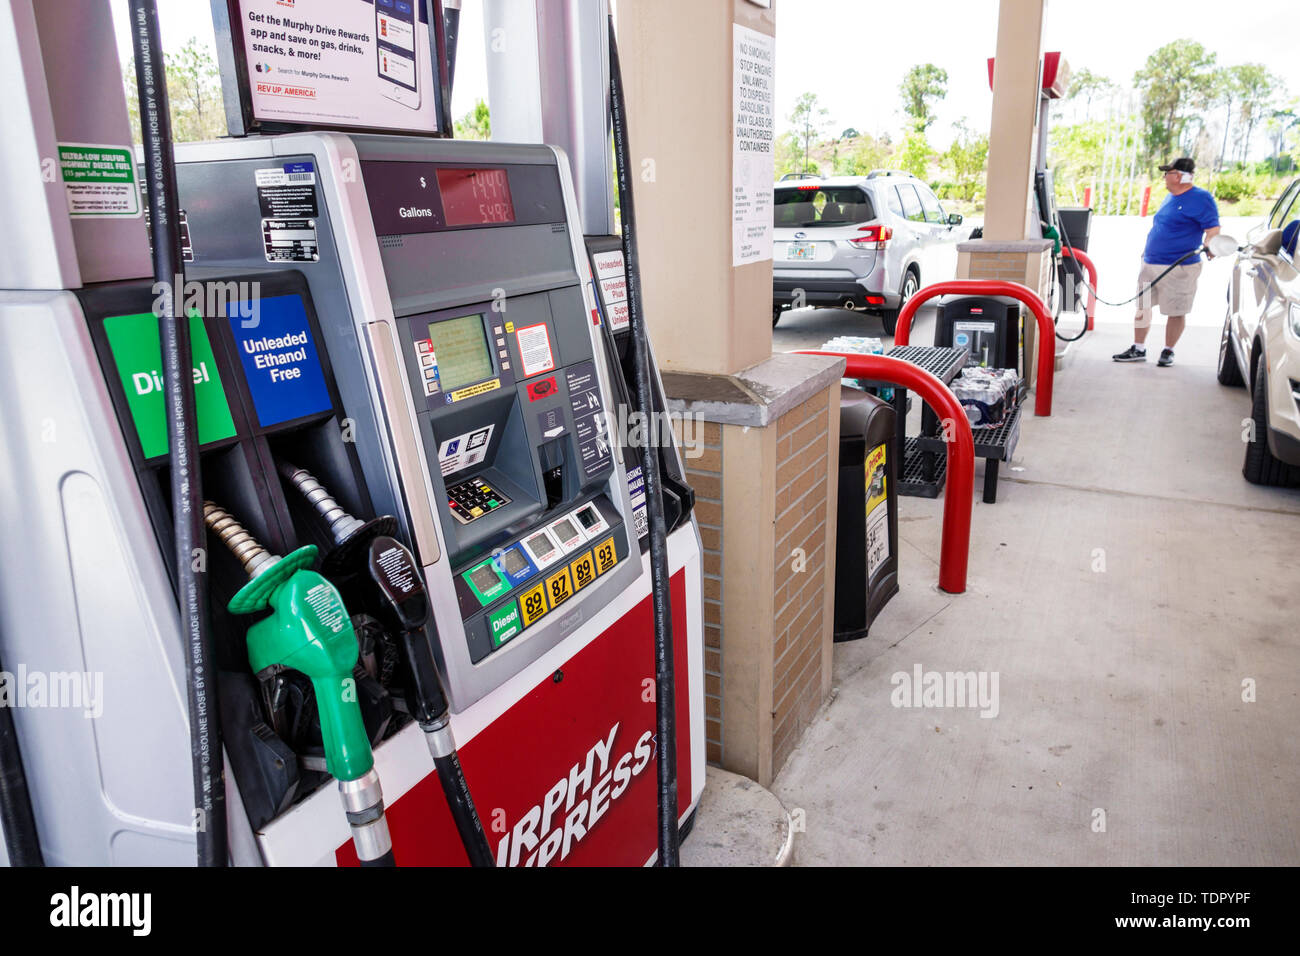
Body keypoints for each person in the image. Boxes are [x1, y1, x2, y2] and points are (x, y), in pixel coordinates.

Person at [1113, 157, 1220, 367]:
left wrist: (1211, 244)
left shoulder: (1201, 199)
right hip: (1150, 263)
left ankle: (1168, 351)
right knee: (1143, 307)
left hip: (1179, 266)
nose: (1164, 177)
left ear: (1179, 176)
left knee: (1176, 310)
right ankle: (1138, 348)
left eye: (1167, 173)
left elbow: (1213, 230)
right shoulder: (1170, 197)